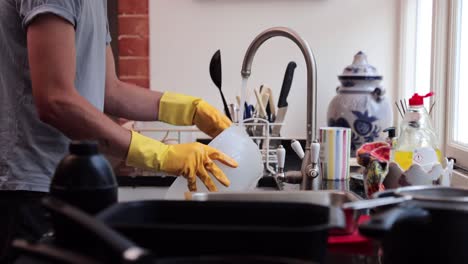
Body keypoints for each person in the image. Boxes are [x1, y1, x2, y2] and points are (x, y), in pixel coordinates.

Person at [0, 0, 238, 262]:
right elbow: (56, 101)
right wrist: (161, 155)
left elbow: (110, 90)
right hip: (29, 191)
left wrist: (189, 110)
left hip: (72, 183)